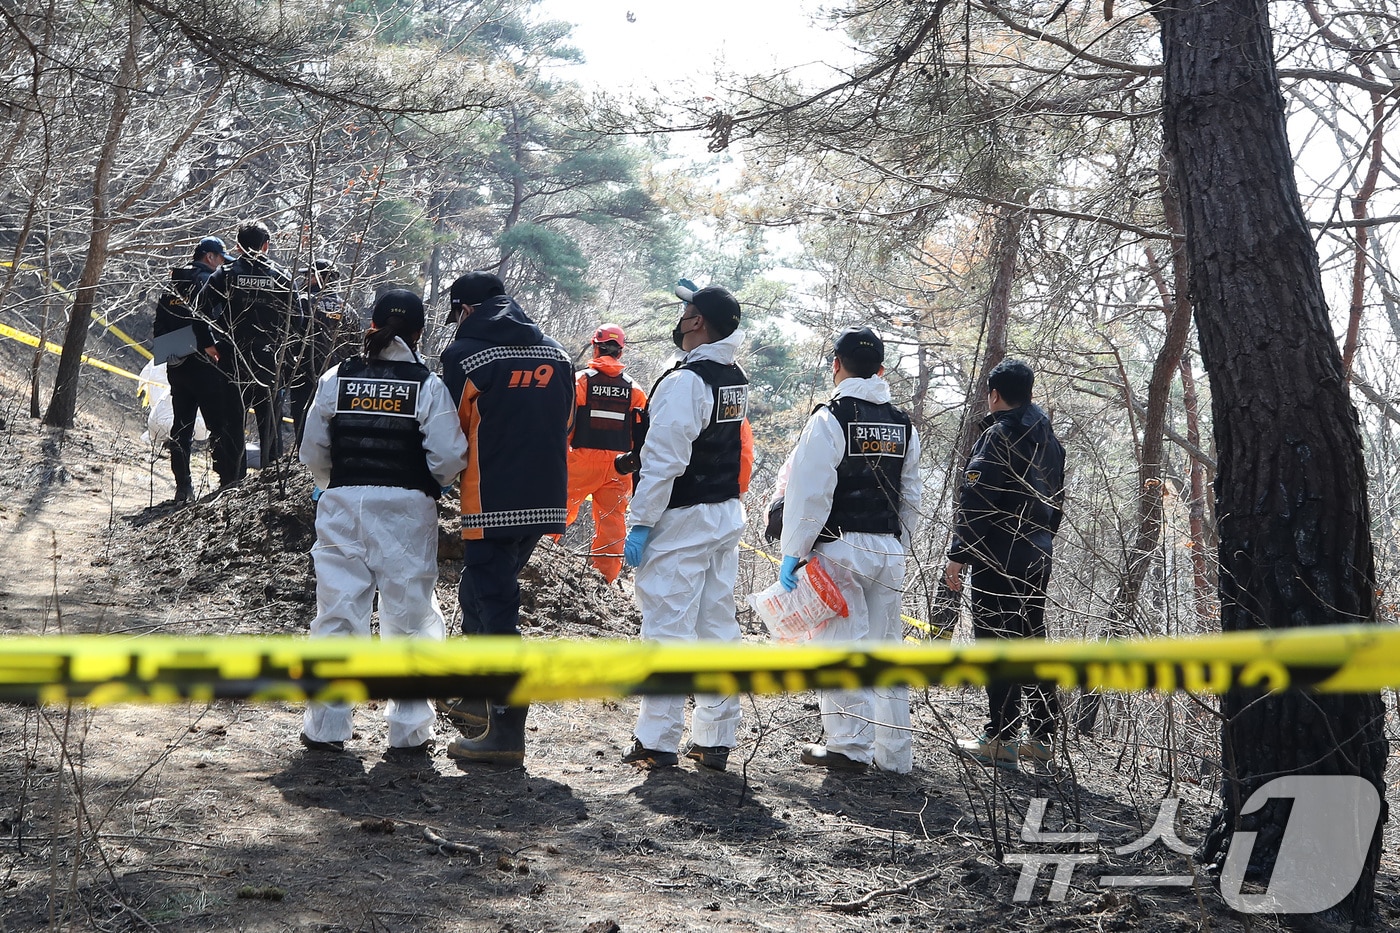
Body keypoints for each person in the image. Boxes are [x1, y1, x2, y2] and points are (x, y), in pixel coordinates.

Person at [297, 288, 470, 758]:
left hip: (342, 503)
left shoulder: (338, 376)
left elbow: (311, 446)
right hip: (406, 510)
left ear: (371, 324)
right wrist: (429, 482)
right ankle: (410, 731)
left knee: (337, 613)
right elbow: (450, 456)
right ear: (419, 331)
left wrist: (330, 481)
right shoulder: (426, 384)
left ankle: (327, 727)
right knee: (410, 617)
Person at [771, 326, 923, 773]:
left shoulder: (830, 418)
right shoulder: (903, 424)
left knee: (840, 646)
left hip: (839, 547)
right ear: (880, 369)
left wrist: (793, 551)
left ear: (836, 365)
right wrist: (900, 545)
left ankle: (847, 747)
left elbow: (809, 492)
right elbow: (910, 495)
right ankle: (894, 756)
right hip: (887, 549)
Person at [438, 271, 574, 766]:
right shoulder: (557, 353)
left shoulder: (464, 356)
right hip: (545, 499)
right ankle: (478, 703)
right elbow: (566, 423)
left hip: (491, 498)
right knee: (478, 591)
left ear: (467, 310)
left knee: (496, 609)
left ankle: (507, 733)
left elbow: (448, 432)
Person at [620, 280, 752, 772]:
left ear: (696, 322)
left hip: (681, 520)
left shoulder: (685, 381)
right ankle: (715, 741)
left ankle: (656, 743)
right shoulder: (733, 376)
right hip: (722, 513)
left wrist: (640, 523)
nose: (681, 320)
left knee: (667, 630)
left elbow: (663, 462)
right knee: (717, 628)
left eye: (686, 312)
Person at [946, 358, 1066, 770]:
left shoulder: (999, 436)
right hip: (1038, 553)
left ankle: (1000, 737)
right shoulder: (1050, 439)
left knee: (997, 643)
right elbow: (1057, 503)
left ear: (994, 395)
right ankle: (1042, 737)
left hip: (999, 555)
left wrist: (959, 557)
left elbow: (976, 503)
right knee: (1032, 639)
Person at [200, 220, 302, 467]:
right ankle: (269, 477)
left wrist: (208, 343)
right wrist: (284, 353)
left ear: (237, 246)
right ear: (266, 245)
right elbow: (298, 320)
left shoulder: (224, 274)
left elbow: (200, 310)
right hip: (268, 359)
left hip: (234, 355)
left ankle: (233, 480)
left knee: (234, 420)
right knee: (269, 423)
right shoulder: (280, 277)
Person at [154, 236, 247, 502]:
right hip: (207, 365)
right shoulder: (210, 282)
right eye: (220, 259)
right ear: (210, 257)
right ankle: (226, 482)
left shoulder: (171, 286)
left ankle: (183, 487)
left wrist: (176, 352)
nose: (221, 265)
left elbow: (159, 330)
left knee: (181, 428)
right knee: (219, 425)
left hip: (177, 365)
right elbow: (217, 323)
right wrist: (208, 348)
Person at [560, 324, 648, 584]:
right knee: (612, 524)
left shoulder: (580, 381)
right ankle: (603, 581)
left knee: (557, 511)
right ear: (621, 352)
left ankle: (540, 557)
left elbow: (564, 424)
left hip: (580, 460)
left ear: (595, 346)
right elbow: (641, 435)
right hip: (621, 467)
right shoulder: (635, 390)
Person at [289, 259, 358, 446]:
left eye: (309, 275)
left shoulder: (303, 302)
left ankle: (301, 467)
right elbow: (356, 350)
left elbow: (290, 337)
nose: (305, 279)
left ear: (320, 278)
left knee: (304, 432)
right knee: (332, 432)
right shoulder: (349, 311)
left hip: (304, 378)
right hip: (338, 381)